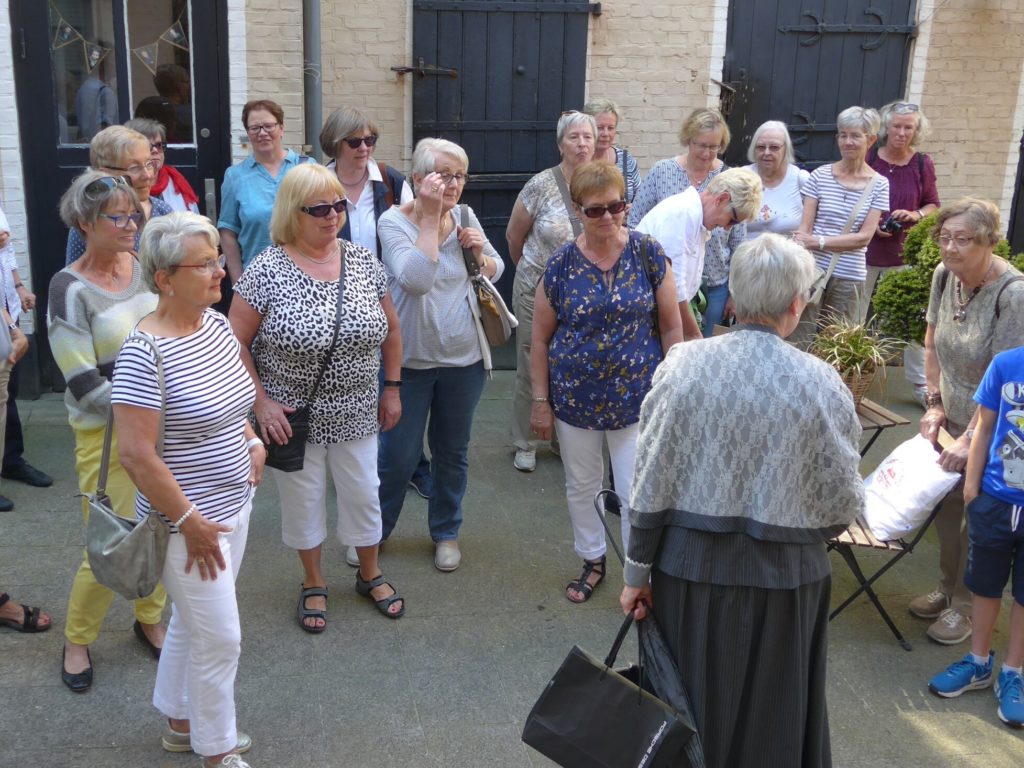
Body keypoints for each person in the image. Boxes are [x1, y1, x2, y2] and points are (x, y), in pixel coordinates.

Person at [620, 232, 864, 768]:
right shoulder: (821, 381)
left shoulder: (682, 366)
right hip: (788, 578)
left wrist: (636, 573)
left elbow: (649, 481)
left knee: (690, 715)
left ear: (733, 294)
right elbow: (843, 500)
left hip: (690, 572)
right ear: (797, 304)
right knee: (777, 716)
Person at [231, 164, 405, 632]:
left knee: (364, 494)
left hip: (358, 409)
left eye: (338, 205)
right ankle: (313, 580)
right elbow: (234, 342)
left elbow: (391, 330)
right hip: (292, 415)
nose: (333, 215)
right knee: (303, 501)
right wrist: (260, 402)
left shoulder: (363, 261)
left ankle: (370, 574)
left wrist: (392, 388)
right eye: (320, 209)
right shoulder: (266, 269)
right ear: (293, 212)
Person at [113, 212, 259, 767]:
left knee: (193, 621)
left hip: (234, 505)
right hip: (185, 525)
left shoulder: (215, 326)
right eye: (205, 264)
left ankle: (180, 718)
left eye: (217, 259)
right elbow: (136, 454)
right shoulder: (143, 352)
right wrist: (189, 522)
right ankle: (218, 751)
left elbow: (235, 400)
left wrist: (252, 441)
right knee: (220, 639)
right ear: (165, 279)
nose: (220, 271)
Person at [529, 161, 682, 603]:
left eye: (616, 206)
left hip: (637, 397)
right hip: (575, 398)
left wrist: (671, 386)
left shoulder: (648, 252)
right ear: (578, 210)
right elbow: (539, 340)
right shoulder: (561, 265)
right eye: (595, 210)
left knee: (635, 490)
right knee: (582, 484)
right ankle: (592, 559)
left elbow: (671, 326)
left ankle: (638, 574)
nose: (608, 217)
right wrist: (540, 401)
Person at [50, 171, 167, 692]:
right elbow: (82, 382)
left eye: (132, 214)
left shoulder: (142, 268)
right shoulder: (69, 288)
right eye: (116, 217)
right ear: (85, 223)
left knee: (159, 526)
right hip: (107, 438)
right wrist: (145, 415)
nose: (130, 224)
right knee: (112, 540)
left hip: (158, 426)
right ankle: (77, 640)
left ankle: (149, 618)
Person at [377, 138, 505, 572]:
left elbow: (495, 268)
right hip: (409, 364)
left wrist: (481, 257)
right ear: (418, 179)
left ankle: (446, 532)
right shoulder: (393, 222)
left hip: (463, 362)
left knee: (452, 454)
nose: (452, 184)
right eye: (442, 175)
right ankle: (375, 533)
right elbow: (415, 280)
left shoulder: (465, 216)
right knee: (397, 457)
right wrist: (430, 219)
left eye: (459, 176)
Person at [913, 198, 1024, 645]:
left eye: (963, 239)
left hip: (996, 425)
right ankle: (946, 588)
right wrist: (934, 403)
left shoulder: (1013, 295)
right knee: (946, 505)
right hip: (951, 415)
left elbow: (1005, 379)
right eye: (945, 237)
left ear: (990, 242)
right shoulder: (944, 276)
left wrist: (971, 437)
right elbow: (931, 342)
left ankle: (963, 606)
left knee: (977, 514)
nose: (950, 248)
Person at [318, 107, 431, 503]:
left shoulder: (391, 181)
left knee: (395, 383)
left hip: (389, 296)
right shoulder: (320, 183)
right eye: (355, 141)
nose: (364, 147)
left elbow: (414, 228)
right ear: (335, 144)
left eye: (370, 140)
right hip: (336, 299)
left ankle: (412, 465)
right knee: (347, 383)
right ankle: (350, 465)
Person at [926, 344, 1024, 728]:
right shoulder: (1006, 363)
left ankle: (1013, 672)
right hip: (994, 500)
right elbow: (983, 427)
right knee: (984, 585)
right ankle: (979, 662)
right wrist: (971, 489)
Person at [506, 111, 595, 473]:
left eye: (588, 137)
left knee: (571, 366)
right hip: (535, 292)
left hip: (581, 298)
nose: (582, 144)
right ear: (560, 144)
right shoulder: (541, 185)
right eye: (574, 137)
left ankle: (562, 438)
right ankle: (526, 441)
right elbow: (514, 236)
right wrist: (537, 278)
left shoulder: (600, 183)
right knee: (532, 366)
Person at [628, 107, 744, 337]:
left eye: (714, 147)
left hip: (715, 285)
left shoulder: (729, 179)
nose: (707, 153)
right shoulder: (663, 172)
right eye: (701, 145)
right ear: (688, 140)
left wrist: (736, 293)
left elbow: (739, 242)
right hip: (666, 287)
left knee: (707, 345)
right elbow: (634, 222)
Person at [865, 101, 941, 406]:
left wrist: (915, 215)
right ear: (886, 127)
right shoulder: (870, 157)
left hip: (902, 254)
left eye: (908, 127)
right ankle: (847, 374)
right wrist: (871, 225)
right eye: (896, 126)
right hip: (865, 251)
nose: (901, 132)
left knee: (911, 319)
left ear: (916, 129)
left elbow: (933, 204)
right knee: (855, 314)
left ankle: (920, 384)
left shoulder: (922, 163)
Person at [634, 167, 763, 340]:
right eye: (732, 220)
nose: (727, 228)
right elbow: (675, 289)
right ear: (722, 199)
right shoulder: (682, 215)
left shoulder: (693, 217)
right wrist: (693, 336)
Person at [793, 106, 889, 335]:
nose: (847, 142)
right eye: (843, 135)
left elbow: (864, 238)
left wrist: (819, 242)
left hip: (849, 276)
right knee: (799, 336)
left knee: (835, 341)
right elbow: (804, 230)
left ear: (871, 140)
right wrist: (807, 246)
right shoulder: (820, 175)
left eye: (855, 136)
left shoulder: (879, 184)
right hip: (812, 271)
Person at [219, 100, 311, 284]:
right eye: (255, 128)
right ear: (248, 133)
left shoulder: (307, 168)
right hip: (257, 282)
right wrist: (240, 284)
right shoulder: (235, 176)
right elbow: (228, 234)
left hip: (306, 279)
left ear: (281, 128)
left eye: (269, 126)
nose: (262, 133)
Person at [0, 199, 52, 510]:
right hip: (4, 320)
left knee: (8, 391)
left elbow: (6, 251)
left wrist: (19, 286)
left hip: (8, 310)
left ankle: (10, 459)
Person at [65, 126, 174, 265]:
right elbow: (77, 273)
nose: (147, 175)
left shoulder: (163, 211)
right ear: (106, 174)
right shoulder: (92, 219)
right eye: (134, 168)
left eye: (149, 164)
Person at [743, 120, 809, 239]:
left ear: (786, 149)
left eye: (774, 147)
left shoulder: (800, 179)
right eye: (761, 147)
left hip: (787, 251)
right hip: (745, 250)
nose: (766, 152)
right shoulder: (742, 177)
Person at [125, 118, 199, 214]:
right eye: (147, 146)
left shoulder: (176, 181)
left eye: (159, 145)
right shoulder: (123, 185)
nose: (155, 150)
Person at [583, 98, 641, 202]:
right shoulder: (579, 159)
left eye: (610, 128)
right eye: (599, 127)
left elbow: (640, 199)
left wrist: (633, 207)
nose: (605, 134)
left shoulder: (626, 160)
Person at [74, 53, 117, 141]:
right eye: (112, 61)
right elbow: (105, 129)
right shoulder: (105, 91)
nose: (115, 65)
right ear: (102, 66)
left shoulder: (84, 87)